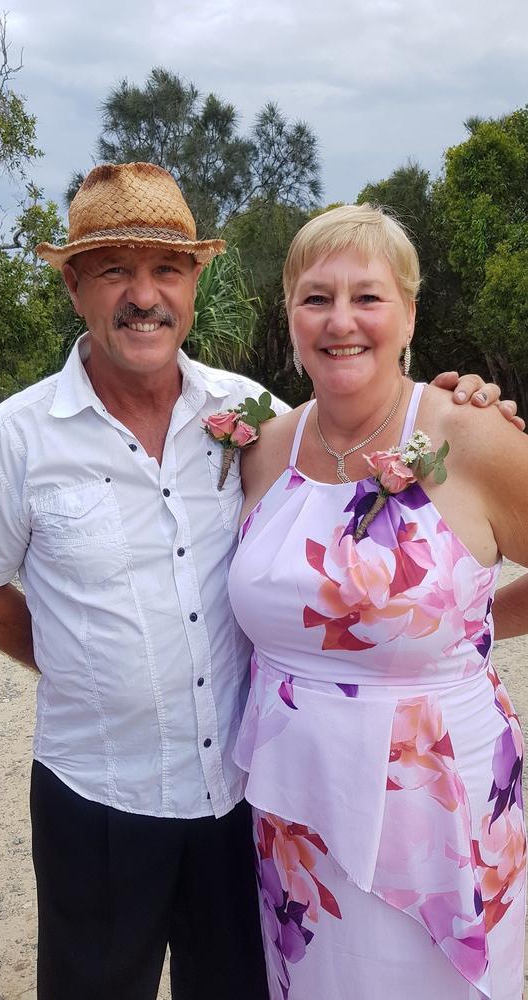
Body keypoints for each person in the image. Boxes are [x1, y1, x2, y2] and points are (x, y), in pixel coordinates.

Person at [0, 164, 523, 1000]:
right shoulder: (11, 442)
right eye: (113, 270)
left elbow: (360, 425)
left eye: (166, 269)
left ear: (195, 282)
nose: (144, 295)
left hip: (249, 797)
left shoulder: (248, 418)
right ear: (72, 286)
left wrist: (460, 409)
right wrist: (74, 665)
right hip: (100, 793)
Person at [229, 203, 528, 1000]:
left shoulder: (470, 435)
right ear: (290, 318)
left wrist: (476, 622)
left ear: (408, 314)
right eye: (315, 297)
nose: (340, 320)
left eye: (367, 297)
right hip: (294, 812)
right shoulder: (266, 451)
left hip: (437, 805)